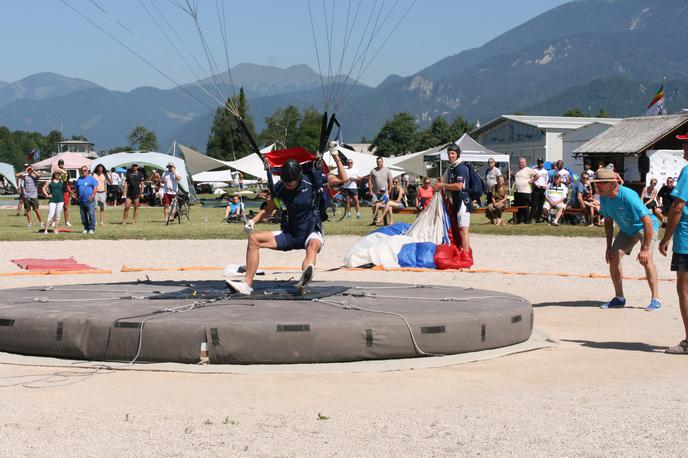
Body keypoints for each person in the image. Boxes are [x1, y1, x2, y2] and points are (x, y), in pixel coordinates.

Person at [226, 158, 326, 295]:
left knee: (313, 246)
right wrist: (253, 221)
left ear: (298, 178)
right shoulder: (280, 187)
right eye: (285, 181)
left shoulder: (312, 182)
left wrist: (334, 154)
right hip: (290, 234)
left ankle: (304, 280)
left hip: (311, 231)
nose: (287, 185)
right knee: (254, 239)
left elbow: (342, 178)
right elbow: (269, 209)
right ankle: (247, 285)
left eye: (290, 182)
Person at [592, 168, 661, 311]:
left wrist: (645, 249)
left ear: (613, 183)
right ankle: (619, 298)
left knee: (647, 259)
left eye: (601, 183)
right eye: (596, 183)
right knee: (613, 257)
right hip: (627, 230)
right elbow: (608, 221)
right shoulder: (604, 197)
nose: (597, 186)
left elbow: (647, 222)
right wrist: (609, 246)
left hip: (646, 227)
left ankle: (656, 300)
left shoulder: (628, 195)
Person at [658, 132, 688, 353]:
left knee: (684, 289)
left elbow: (677, 207)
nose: (684, 148)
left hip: (686, 240)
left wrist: (665, 238)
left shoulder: (687, 171)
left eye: (686, 144)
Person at [433, 143, 472, 252]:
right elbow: (443, 179)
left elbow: (459, 186)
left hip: (463, 202)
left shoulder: (461, 168)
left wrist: (443, 185)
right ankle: (462, 252)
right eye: (449, 153)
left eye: (453, 153)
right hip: (455, 202)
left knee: (463, 231)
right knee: (458, 230)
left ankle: (466, 256)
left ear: (457, 154)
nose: (450, 155)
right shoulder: (451, 168)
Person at [367, 156, 392, 225]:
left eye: (380, 162)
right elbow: (369, 181)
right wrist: (370, 191)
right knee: (374, 206)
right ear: (376, 162)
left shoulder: (387, 170)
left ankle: (386, 221)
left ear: (383, 162)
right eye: (378, 162)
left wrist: (389, 191)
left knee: (385, 207)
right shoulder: (373, 171)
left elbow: (390, 181)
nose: (379, 163)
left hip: (385, 193)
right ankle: (374, 221)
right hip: (375, 193)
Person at [512, 157, 538, 224]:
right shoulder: (516, 170)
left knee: (525, 207)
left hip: (525, 192)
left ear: (525, 163)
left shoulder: (528, 169)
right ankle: (518, 219)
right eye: (519, 163)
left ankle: (527, 220)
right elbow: (511, 176)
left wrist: (532, 180)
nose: (520, 164)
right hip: (517, 191)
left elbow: (537, 175)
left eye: (522, 162)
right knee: (517, 206)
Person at [74, 166, 98, 234]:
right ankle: (86, 228)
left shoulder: (91, 178)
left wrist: (92, 196)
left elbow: (95, 188)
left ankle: (92, 228)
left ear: (88, 171)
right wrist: (77, 197)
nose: (83, 172)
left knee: (91, 214)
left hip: (90, 200)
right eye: (82, 171)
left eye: (85, 170)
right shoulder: (79, 179)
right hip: (81, 201)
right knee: (83, 216)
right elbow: (77, 189)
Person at [55, 159, 73, 227]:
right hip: (57, 190)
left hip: (64, 190)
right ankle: (54, 221)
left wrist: (69, 190)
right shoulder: (56, 171)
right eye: (60, 163)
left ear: (63, 164)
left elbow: (68, 180)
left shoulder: (66, 171)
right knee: (56, 206)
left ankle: (66, 221)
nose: (61, 164)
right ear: (58, 164)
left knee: (65, 206)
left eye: (62, 163)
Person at [530, 158, 549, 223]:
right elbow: (532, 179)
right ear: (537, 163)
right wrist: (536, 184)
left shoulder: (545, 171)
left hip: (543, 189)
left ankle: (538, 218)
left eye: (541, 163)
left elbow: (547, 180)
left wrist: (545, 185)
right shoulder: (534, 170)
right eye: (539, 163)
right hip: (536, 189)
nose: (540, 164)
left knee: (541, 205)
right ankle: (530, 218)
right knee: (534, 204)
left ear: (543, 163)